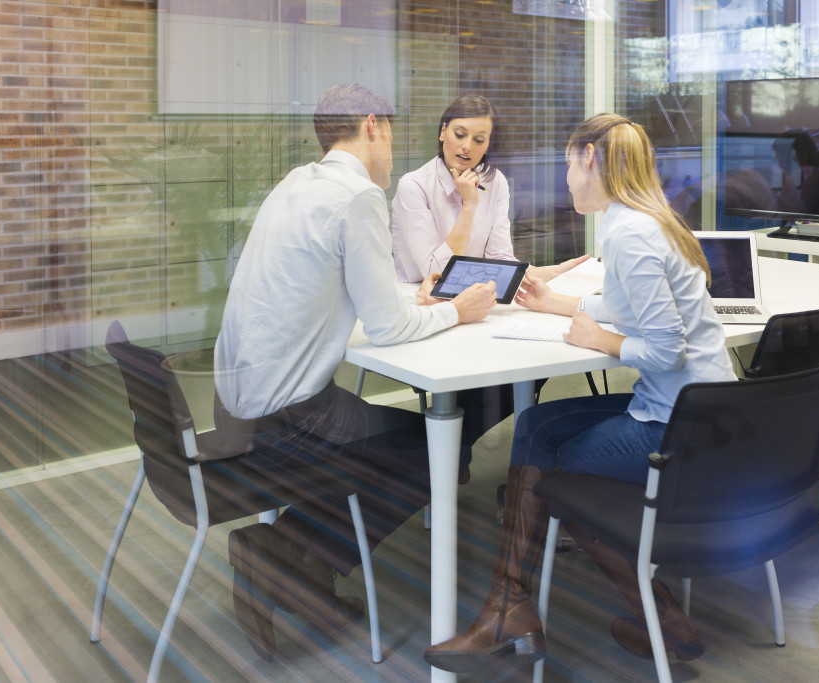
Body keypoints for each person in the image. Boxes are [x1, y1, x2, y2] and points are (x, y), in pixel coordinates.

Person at [423, 113, 737, 673]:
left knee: (553, 477)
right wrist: (559, 305)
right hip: (702, 409)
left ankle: (643, 616)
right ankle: (514, 601)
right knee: (537, 426)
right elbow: (626, 303)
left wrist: (605, 343)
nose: (566, 177)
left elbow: (667, 350)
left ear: (590, 159)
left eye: (569, 163)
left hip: (680, 425)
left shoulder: (630, 233)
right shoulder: (645, 220)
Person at [213, 83, 498, 661]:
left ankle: (299, 564)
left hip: (233, 403)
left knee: (403, 446)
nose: (394, 149)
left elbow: (343, 298)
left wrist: (407, 308)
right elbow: (390, 330)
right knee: (435, 455)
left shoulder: (297, 183)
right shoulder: (358, 196)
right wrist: (455, 310)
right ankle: (285, 555)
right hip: (289, 415)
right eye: (392, 131)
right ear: (374, 125)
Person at [391, 94, 588, 448]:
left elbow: (499, 256)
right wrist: (468, 206)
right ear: (442, 132)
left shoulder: (495, 181)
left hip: (475, 298)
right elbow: (436, 272)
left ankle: (456, 446)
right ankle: (447, 451)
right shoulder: (414, 186)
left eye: (479, 140)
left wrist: (541, 272)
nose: (466, 147)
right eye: (459, 134)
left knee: (535, 362)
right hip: (421, 303)